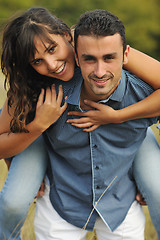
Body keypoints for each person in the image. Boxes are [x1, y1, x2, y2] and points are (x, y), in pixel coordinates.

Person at [0, 7, 160, 240]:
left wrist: (117, 116)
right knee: (13, 200)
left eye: (53, 49)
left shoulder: (96, 43)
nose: (52, 64)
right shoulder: (31, 84)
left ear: (68, 36)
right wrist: (37, 126)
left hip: (127, 124)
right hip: (46, 132)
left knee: (157, 189)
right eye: (37, 60)